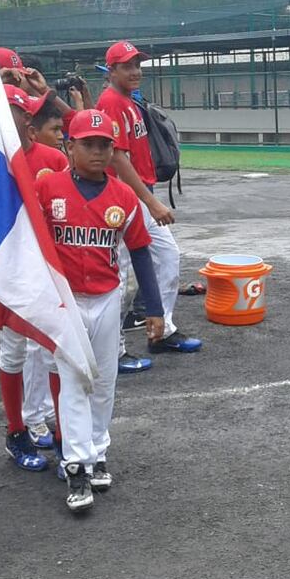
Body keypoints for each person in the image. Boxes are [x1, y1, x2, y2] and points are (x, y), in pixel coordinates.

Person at [34, 109, 165, 512]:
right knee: (74, 379)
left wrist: (156, 309)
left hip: (108, 296)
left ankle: (97, 448)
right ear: (69, 146)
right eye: (87, 143)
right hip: (65, 298)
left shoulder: (123, 195)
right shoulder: (48, 188)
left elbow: (141, 251)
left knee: (105, 379)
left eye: (104, 144)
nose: (96, 152)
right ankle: (76, 465)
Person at [98, 41, 202, 356]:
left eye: (137, 65)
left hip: (138, 196)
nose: (135, 71)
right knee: (121, 273)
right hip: (125, 199)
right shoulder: (113, 102)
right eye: (127, 66)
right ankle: (111, 348)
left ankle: (161, 329)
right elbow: (117, 159)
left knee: (167, 256)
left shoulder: (127, 101)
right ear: (111, 70)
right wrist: (151, 201)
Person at [0, 84, 66, 468]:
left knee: (53, 349)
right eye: (23, 111)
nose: (28, 117)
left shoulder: (53, 157)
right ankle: (16, 430)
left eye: (28, 111)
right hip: (10, 267)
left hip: (47, 265)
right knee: (15, 350)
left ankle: (59, 434)